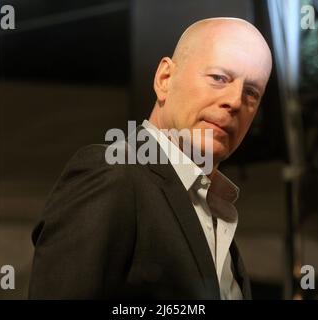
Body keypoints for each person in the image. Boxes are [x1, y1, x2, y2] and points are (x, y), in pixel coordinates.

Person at [29, 17, 272, 299]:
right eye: (219, 78)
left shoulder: (216, 218)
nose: (235, 101)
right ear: (164, 79)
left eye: (251, 92)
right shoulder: (114, 173)